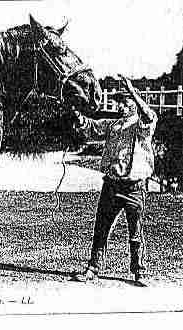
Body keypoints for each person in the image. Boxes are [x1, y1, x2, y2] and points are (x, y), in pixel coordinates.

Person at [73, 74, 158, 282]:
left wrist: (133, 91)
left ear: (134, 104)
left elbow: (148, 115)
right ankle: (92, 269)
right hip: (111, 185)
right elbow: (91, 127)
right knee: (101, 228)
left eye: (125, 102)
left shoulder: (143, 125)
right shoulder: (113, 124)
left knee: (135, 232)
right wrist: (76, 114)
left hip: (135, 188)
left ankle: (139, 271)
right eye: (119, 102)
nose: (120, 106)